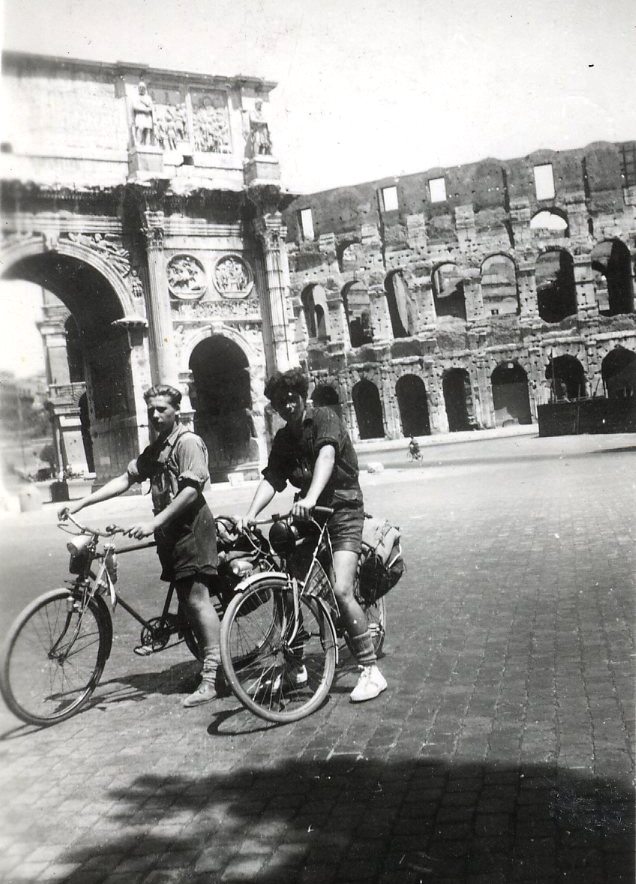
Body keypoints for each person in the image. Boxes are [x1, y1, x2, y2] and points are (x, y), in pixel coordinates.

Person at [58, 384, 222, 708]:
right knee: (186, 601)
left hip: (193, 529)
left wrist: (154, 523)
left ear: (177, 410)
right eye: (151, 410)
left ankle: (212, 679)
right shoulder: (156, 448)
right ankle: (202, 654)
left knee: (197, 600)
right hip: (170, 534)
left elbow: (191, 491)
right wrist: (82, 502)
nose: (155, 415)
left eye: (162, 409)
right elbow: (125, 479)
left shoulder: (187, 442)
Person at [240, 368, 387, 703]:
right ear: (274, 406)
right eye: (280, 401)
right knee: (290, 583)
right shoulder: (282, 438)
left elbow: (327, 455)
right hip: (308, 514)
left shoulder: (324, 417)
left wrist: (309, 497)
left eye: (292, 397)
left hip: (342, 509)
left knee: (341, 588)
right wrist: (250, 514)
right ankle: (295, 666)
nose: (287, 404)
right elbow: (272, 478)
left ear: (302, 395)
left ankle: (370, 670)